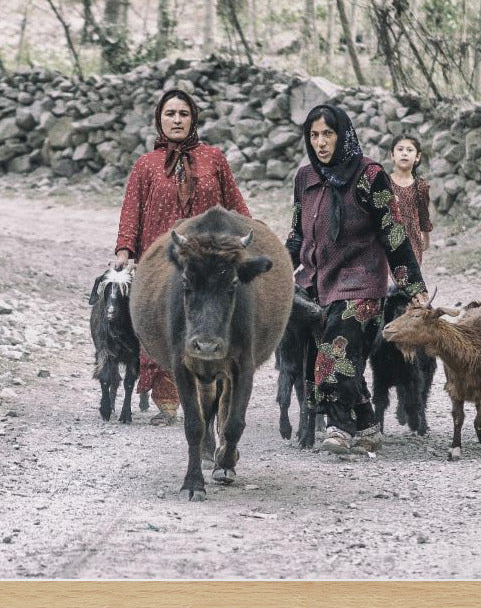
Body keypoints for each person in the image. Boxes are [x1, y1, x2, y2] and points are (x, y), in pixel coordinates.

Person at [285, 104, 428, 454]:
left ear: (343, 135)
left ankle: (339, 427)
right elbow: (296, 236)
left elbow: (393, 234)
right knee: (338, 357)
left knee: (334, 355)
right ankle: (365, 421)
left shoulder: (370, 175)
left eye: (328, 134)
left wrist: (414, 289)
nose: (321, 142)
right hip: (315, 284)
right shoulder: (305, 178)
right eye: (314, 135)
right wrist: (274, 272)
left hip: (360, 284)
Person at [113, 88, 251, 425]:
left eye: (183, 114)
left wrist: (251, 235)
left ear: (194, 119)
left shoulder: (214, 159)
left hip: (206, 260)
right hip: (161, 258)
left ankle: (210, 389)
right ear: (159, 119)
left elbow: (234, 203)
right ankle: (167, 398)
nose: (177, 120)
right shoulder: (145, 165)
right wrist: (123, 251)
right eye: (170, 114)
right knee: (164, 322)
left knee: (207, 316)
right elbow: (132, 211)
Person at [387, 135, 433, 265]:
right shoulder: (384, 182)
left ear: (417, 157)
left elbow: (424, 214)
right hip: (389, 237)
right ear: (392, 155)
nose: (404, 153)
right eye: (400, 149)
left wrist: (426, 238)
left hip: (413, 239)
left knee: (411, 278)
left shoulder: (420, 186)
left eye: (409, 150)